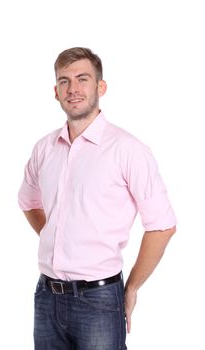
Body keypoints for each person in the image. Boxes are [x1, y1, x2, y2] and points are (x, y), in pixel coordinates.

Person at [18, 47, 176, 350]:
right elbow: (28, 201)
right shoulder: (44, 148)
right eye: (64, 81)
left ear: (100, 87)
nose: (73, 89)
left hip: (100, 301)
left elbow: (162, 225)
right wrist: (56, 237)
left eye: (82, 79)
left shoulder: (128, 150)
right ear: (55, 91)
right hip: (46, 297)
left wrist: (132, 287)